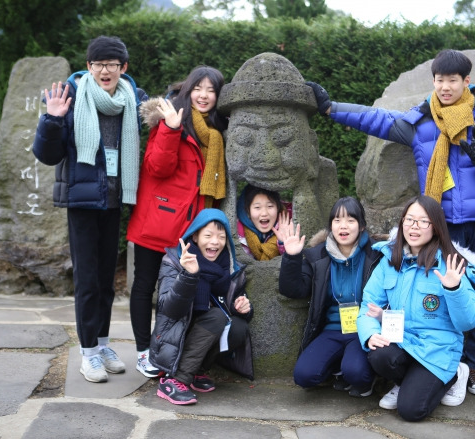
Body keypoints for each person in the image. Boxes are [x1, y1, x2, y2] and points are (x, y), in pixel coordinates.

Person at [307, 48, 475, 395]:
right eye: (439, 80)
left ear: (467, 81)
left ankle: (472, 366)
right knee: (436, 289)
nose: (445, 87)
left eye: (453, 80)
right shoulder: (421, 121)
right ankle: (441, 365)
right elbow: (377, 120)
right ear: (433, 81)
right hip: (440, 220)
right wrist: (331, 109)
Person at [32, 36, 147, 383]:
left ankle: (102, 343)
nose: (104, 70)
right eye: (98, 64)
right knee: (87, 281)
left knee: (106, 282)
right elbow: (47, 155)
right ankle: (87, 354)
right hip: (82, 202)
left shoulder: (132, 100)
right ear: (89, 66)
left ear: (123, 68)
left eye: (112, 64)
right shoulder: (71, 96)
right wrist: (52, 120)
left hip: (114, 199)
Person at [126, 66, 227, 378]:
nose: (204, 95)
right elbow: (157, 167)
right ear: (188, 90)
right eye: (199, 88)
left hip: (190, 230)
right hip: (157, 222)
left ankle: (173, 352)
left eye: (211, 90)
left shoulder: (217, 132)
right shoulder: (172, 122)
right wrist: (170, 129)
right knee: (145, 287)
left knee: (181, 295)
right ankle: (145, 351)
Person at [358, 195, 475, 421]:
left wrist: (454, 288)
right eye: (409, 220)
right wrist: (370, 333)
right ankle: (406, 382)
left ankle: (456, 374)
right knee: (378, 355)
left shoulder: (450, 263)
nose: (414, 227)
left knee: (411, 410)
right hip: (403, 342)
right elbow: (368, 305)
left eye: (423, 221)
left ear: (436, 227)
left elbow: (471, 321)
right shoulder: (389, 259)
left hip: (437, 350)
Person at [278, 197, 382, 397]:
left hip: (364, 329)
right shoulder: (318, 257)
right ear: (330, 226)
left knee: (357, 374)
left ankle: (356, 370)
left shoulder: (376, 254)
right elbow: (292, 290)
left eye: (350, 220)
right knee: (304, 376)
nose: (343, 226)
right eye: (337, 220)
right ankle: (339, 366)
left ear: (361, 226)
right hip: (331, 329)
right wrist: (291, 257)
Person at [149, 208, 253, 405]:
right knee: (216, 318)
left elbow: (235, 301)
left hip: (204, 330)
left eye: (221, 237)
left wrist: (244, 307)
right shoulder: (174, 260)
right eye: (208, 235)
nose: (215, 241)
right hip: (174, 336)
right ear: (195, 236)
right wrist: (189, 275)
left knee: (239, 327)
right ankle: (175, 380)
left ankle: (197, 370)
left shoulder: (228, 267)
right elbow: (169, 309)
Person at [236, 184, 289, 261]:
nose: (264, 213)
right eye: (257, 207)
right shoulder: (238, 233)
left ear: (278, 208)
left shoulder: (288, 226)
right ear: (248, 210)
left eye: (270, 206)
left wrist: (282, 242)